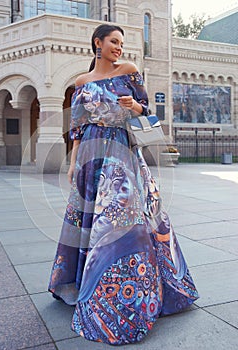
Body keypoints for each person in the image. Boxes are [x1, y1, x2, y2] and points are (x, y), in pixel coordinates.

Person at [48, 24, 199, 345]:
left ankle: (130, 290)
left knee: (123, 219)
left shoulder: (128, 71)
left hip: (122, 151)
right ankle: (85, 282)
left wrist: (134, 107)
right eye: (113, 42)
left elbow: (148, 112)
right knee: (89, 218)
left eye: (121, 42)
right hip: (90, 150)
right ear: (97, 43)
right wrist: (74, 162)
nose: (119, 47)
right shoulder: (81, 83)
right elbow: (77, 126)